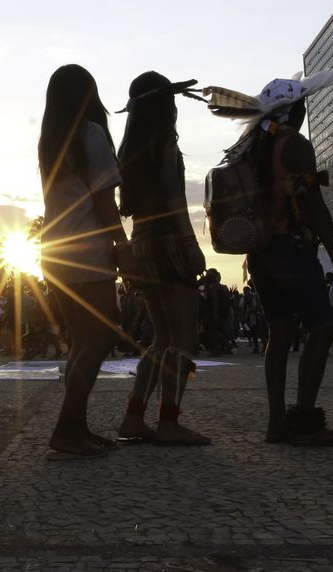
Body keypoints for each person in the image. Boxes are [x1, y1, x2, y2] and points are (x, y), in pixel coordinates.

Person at [204, 70, 333, 445]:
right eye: (302, 106)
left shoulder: (252, 147)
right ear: (293, 109)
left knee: (279, 332)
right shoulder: (293, 144)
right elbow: (314, 206)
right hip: (290, 248)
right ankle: (305, 421)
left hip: (259, 254)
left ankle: (276, 424)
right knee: (322, 329)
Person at [37, 64, 131, 458]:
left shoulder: (52, 142)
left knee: (82, 340)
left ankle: (76, 426)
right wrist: (122, 243)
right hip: (87, 248)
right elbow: (103, 199)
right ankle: (67, 426)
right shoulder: (90, 133)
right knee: (100, 336)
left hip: (55, 250)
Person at [115, 72, 210, 446]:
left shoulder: (129, 149)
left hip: (142, 240)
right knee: (184, 335)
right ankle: (169, 421)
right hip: (169, 239)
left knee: (162, 337)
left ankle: (134, 415)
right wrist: (190, 243)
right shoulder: (165, 142)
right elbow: (173, 196)